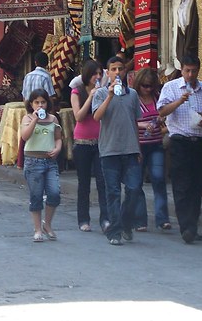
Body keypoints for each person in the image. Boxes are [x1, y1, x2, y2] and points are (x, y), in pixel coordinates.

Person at [158, 55, 202, 244]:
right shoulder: (171, 88)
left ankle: (192, 225)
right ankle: (186, 227)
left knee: (196, 186)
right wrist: (179, 101)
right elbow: (161, 111)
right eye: (187, 71)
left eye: (194, 71)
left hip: (200, 142)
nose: (190, 75)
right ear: (182, 70)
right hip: (180, 142)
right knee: (182, 185)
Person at [91, 56, 143, 245]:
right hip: (109, 150)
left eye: (120, 69)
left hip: (130, 150)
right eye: (113, 69)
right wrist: (110, 95)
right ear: (108, 73)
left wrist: (138, 148)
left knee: (134, 189)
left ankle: (126, 222)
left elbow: (135, 122)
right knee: (112, 192)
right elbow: (96, 117)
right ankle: (115, 231)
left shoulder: (133, 94)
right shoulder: (100, 94)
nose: (117, 72)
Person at [19, 88, 62, 242]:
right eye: (37, 102)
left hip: (50, 162)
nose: (40, 105)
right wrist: (35, 119)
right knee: (36, 196)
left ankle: (47, 224)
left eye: (43, 102)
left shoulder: (53, 119)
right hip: (33, 161)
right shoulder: (27, 119)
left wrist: (57, 148)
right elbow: (25, 136)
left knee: (54, 193)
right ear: (31, 104)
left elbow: (58, 138)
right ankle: (37, 229)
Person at [70, 59, 108, 232]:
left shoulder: (104, 91)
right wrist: (91, 96)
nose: (98, 77)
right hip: (82, 142)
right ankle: (83, 219)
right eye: (94, 74)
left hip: (100, 142)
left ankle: (105, 219)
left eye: (100, 74)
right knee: (84, 183)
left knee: (103, 182)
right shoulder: (76, 91)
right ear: (87, 75)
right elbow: (78, 116)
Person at [133, 67, 170, 231]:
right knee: (137, 182)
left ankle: (162, 219)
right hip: (139, 144)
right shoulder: (134, 100)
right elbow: (129, 121)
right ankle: (141, 220)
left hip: (155, 143)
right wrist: (142, 124)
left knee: (159, 179)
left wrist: (162, 121)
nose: (148, 89)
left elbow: (164, 117)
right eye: (145, 86)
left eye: (150, 86)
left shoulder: (157, 98)